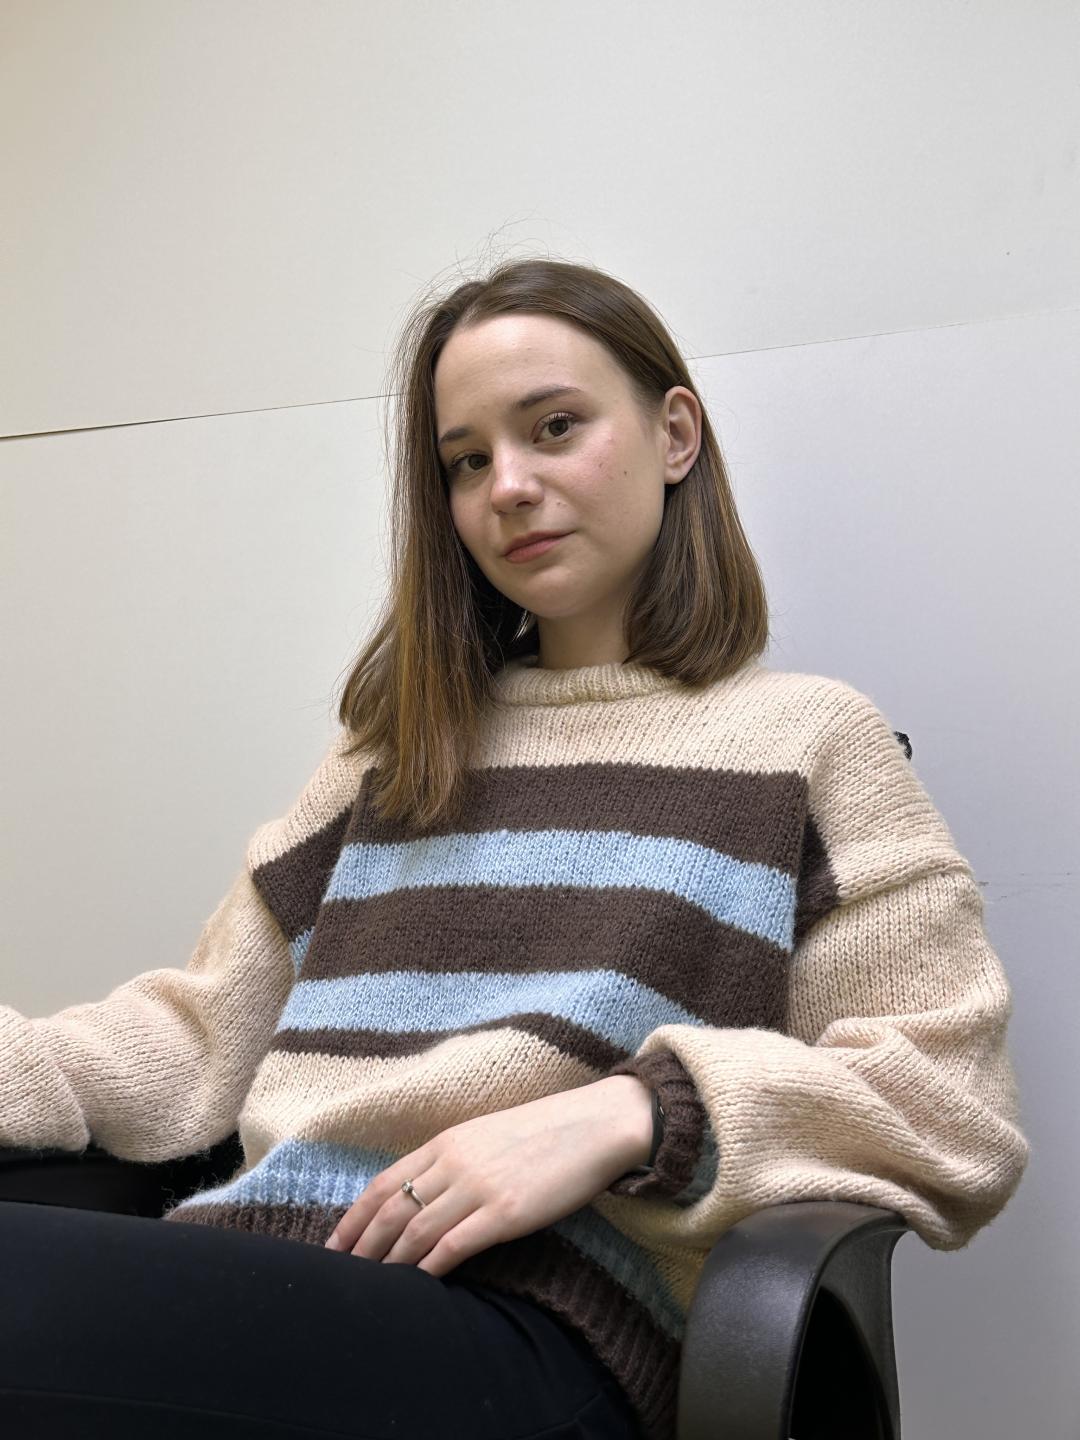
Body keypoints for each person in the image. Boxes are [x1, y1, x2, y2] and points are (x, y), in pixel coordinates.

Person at [0, 256, 1030, 1440]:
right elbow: (191, 1042)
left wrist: (632, 1115)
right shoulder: (394, 754)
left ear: (675, 434)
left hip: (541, 1333)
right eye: (467, 460)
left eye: (554, 428)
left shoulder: (809, 744)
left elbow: (947, 1108)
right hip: (278, 1281)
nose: (511, 486)